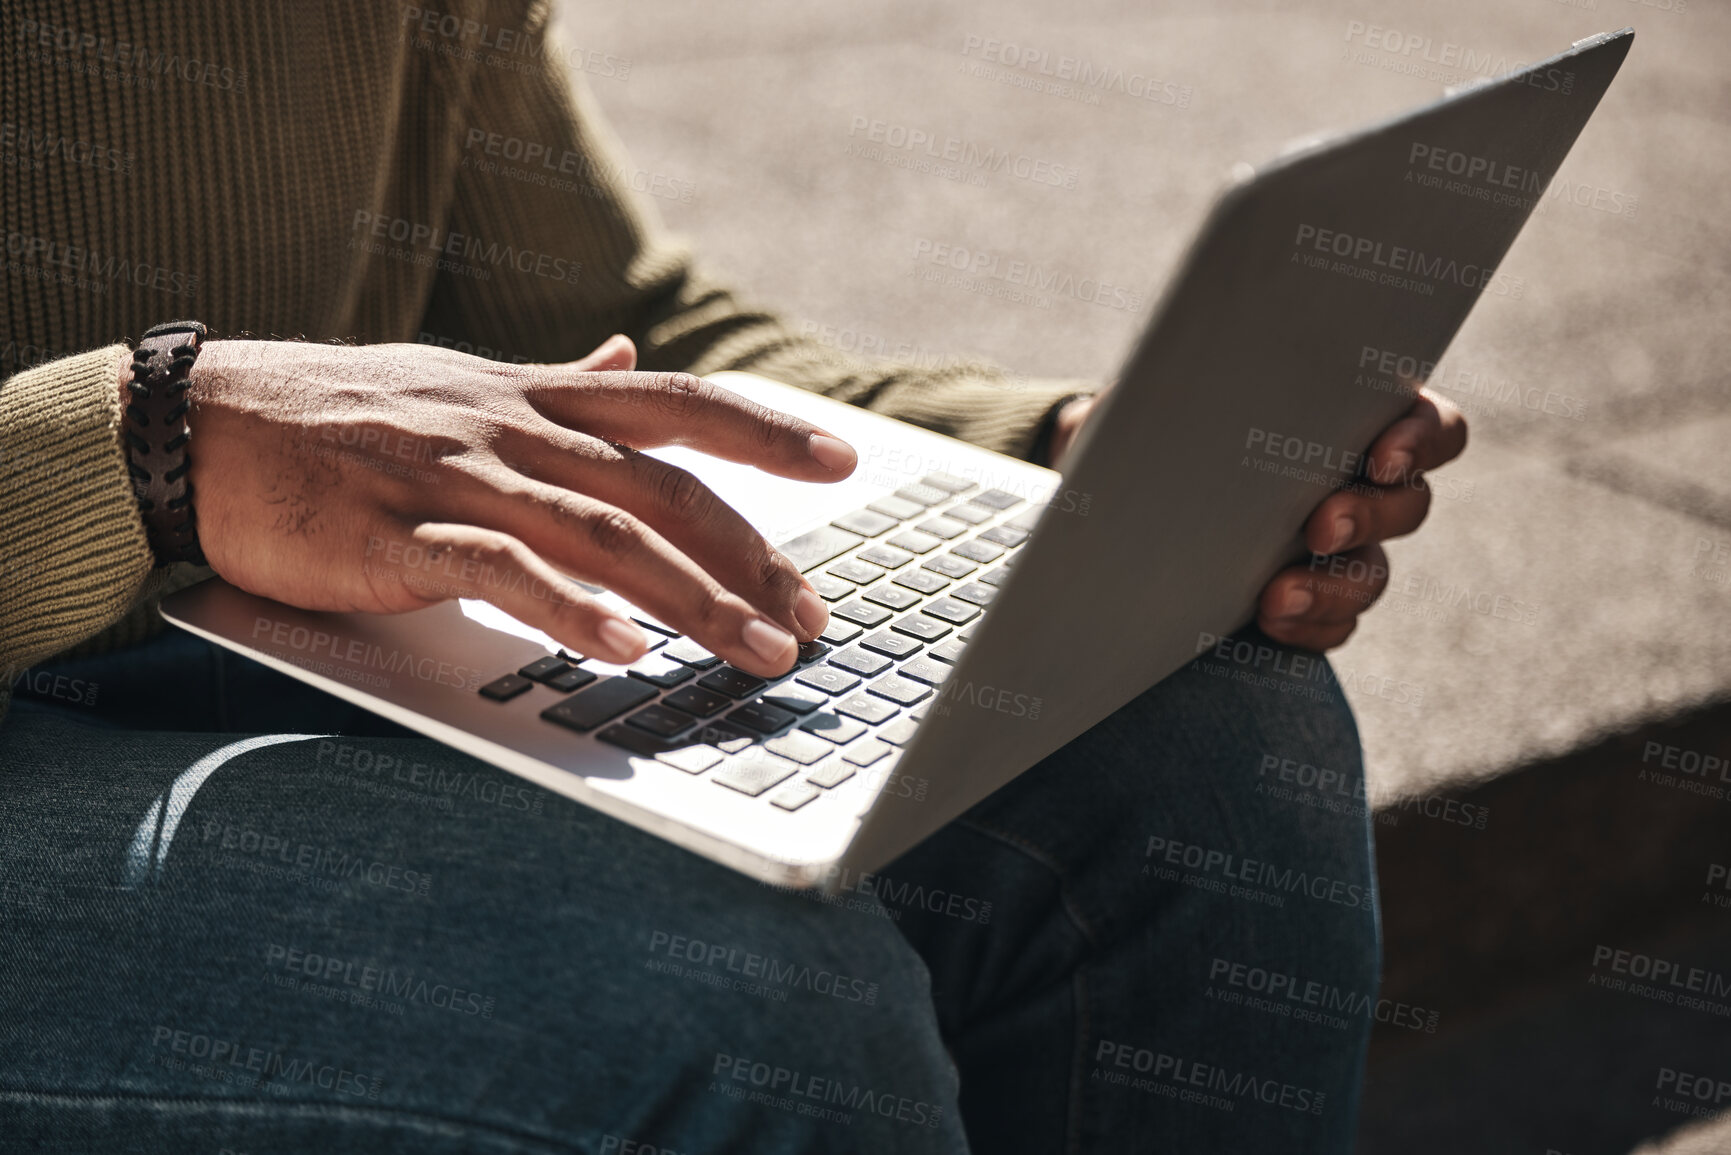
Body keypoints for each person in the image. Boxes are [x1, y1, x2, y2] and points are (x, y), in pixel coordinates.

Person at [0, 3, 1465, 1151]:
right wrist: (141, 444)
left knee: (1214, 735)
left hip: (304, 632)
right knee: (745, 1013)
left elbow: (608, 324)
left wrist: (1056, 455)